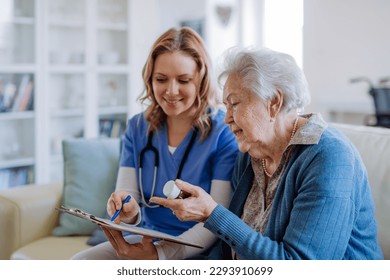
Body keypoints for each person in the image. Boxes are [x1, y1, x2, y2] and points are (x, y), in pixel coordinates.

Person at [150, 47, 384, 260]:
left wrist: (213, 214)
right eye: (226, 106)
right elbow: (226, 250)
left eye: (235, 104)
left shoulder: (329, 158)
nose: (227, 117)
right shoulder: (251, 154)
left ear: (273, 102)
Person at [71, 27, 238, 260]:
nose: (171, 91)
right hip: (146, 237)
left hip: (198, 247)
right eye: (161, 79)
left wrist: (160, 255)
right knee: (80, 263)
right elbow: (130, 202)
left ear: (201, 80)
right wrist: (125, 210)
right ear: (150, 79)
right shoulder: (138, 127)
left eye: (183, 80)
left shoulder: (223, 133)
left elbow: (216, 218)